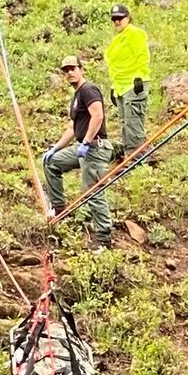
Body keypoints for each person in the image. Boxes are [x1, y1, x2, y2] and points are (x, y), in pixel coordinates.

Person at [42, 56, 113, 252]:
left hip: (95, 147)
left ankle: (104, 238)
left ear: (81, 69)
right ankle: (59, 209)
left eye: (73, 68)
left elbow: (98, 115)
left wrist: (87, 141)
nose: (69, 73)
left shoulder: (88, 90)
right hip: (84, 147)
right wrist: (55, 148)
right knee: (52, 163)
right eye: (65, 70)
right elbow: (73, 128)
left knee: (92, 190)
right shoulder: (76, 96)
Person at [104, 3, 150, 156]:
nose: (117, 21)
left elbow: (142, 55)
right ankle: (130, 154)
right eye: (114, 19)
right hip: (121, 86)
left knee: (133, 121)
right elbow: (116, 65)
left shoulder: (134, 33)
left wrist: (140, 77)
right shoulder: (118, 39)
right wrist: (113, 87)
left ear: (128, 18)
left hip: (133, 84)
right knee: (125, 122)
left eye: (120, 18)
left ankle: (137, 156)